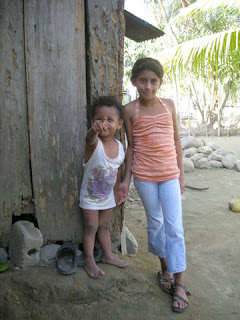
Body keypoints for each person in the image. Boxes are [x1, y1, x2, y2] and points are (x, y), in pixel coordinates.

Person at [117, 58, 190, 312]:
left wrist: (180, 174)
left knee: (175, 227)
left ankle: (179, 282)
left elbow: (176, 141)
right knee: (156, 223)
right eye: (143, 81)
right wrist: (126, 181)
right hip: (144, 176)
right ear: (134, 81)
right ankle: (165, 268)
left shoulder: (168, 105)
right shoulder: (129, 110)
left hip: (169, 173)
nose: (148, 86)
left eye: (153, 81)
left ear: (160, 82)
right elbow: (130, 147)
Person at [79, 96, 128, 279]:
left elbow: (118, 170)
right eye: (99, 119)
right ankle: (89, 259)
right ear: (93, 122)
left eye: (110, 120)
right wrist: (93, 131)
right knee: (91, 226)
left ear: (120, 123)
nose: (104, 124)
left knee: (104, 225)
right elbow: (89, 138)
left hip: (108, 196)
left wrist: (116, 191)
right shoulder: (94, 144)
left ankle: (108, 256)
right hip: (90, 197)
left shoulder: (120, 146)